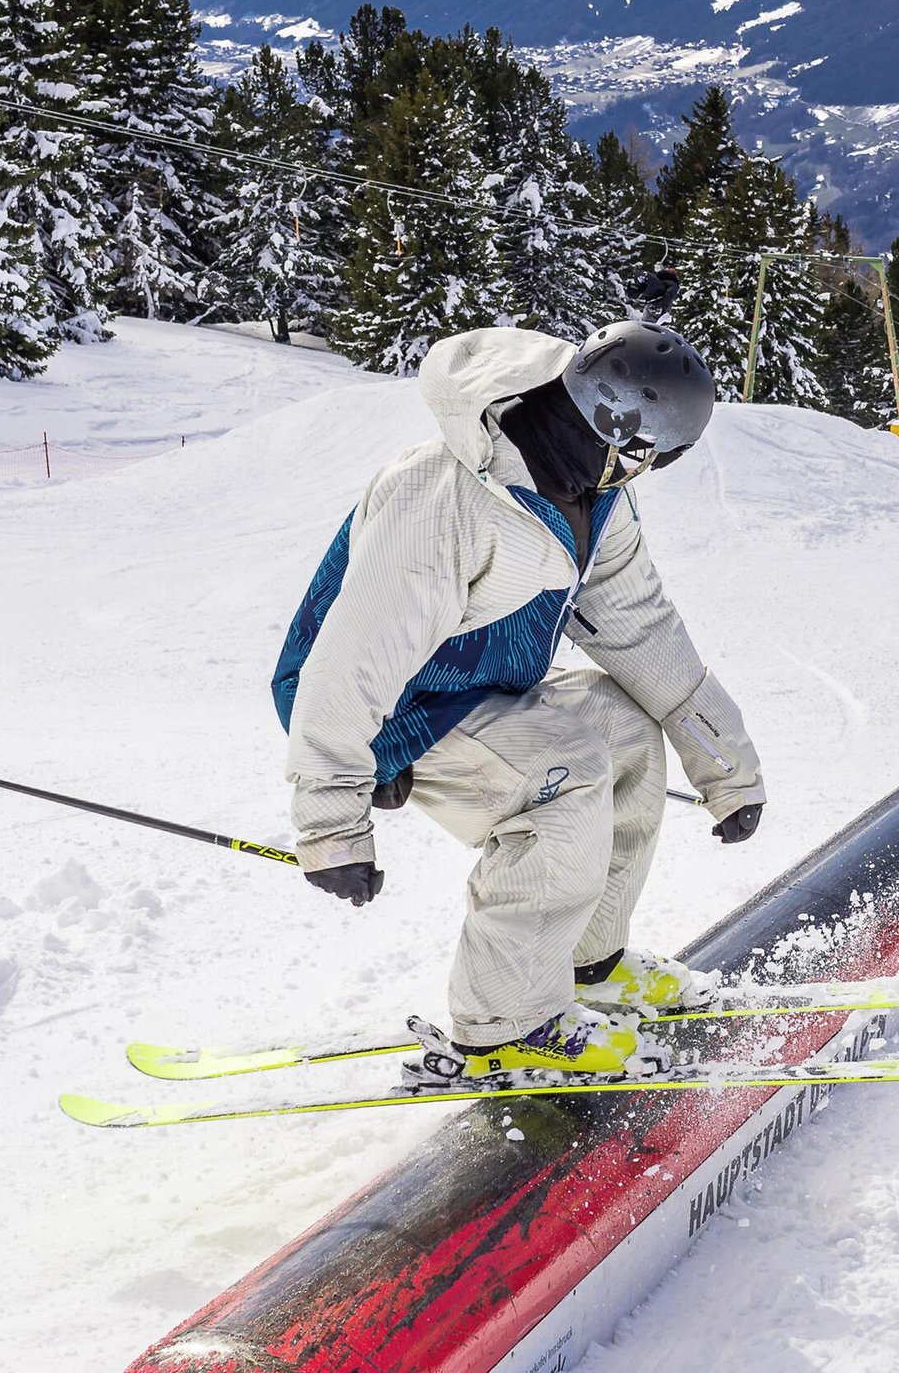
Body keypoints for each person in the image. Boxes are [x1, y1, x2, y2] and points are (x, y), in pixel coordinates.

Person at [272, 307, 765, 1086]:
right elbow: (352, 660)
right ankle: (506, 1024)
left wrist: (725, 765)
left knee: (627, 734)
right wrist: (333, 815)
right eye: (658, 458)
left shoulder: (593, 492)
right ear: (626, 439)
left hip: (479, 684)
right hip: (390, 707)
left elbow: (639, 627)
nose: (652, 472)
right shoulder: (447, 496)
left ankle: (586, 962)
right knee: (561, 775)